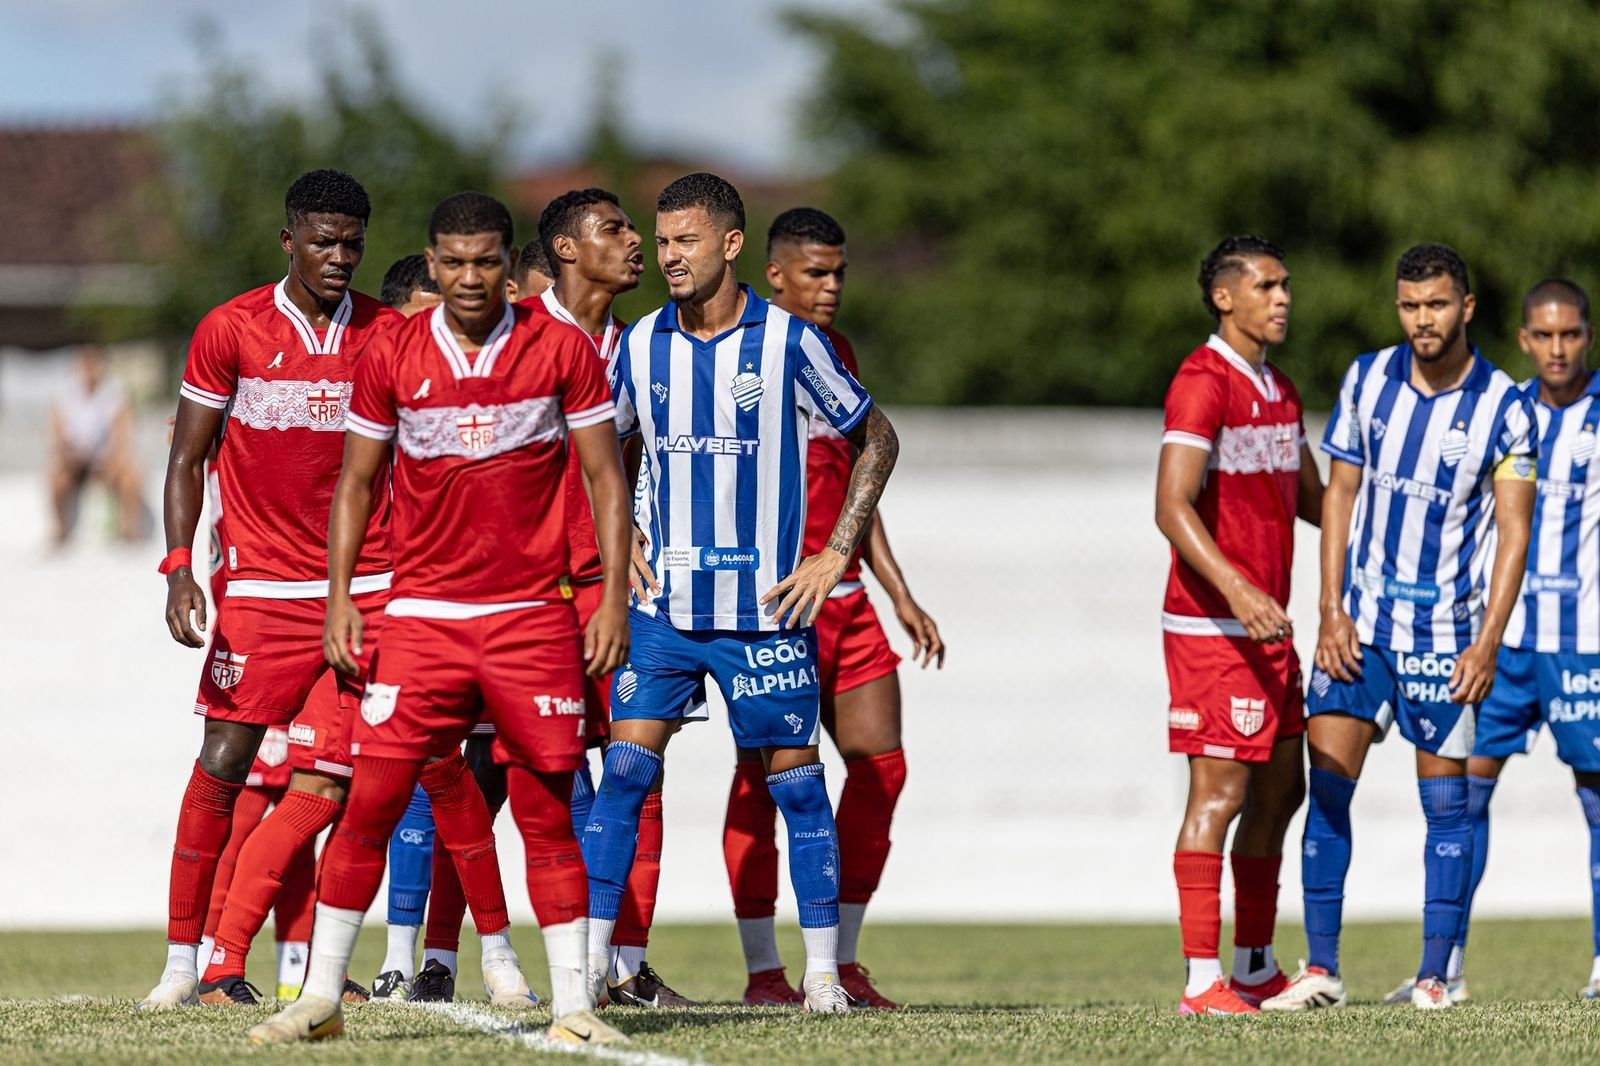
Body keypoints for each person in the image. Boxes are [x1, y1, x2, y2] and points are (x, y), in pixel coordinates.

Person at [249, 191, 633, 1046]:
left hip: (533, 619)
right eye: (453, 262)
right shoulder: (391, 350)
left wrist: (608, 595)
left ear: (509, 264)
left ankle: (573, 1008)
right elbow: (355, 482)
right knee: (374, 801)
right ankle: (318, 1000)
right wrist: (343, 595)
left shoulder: (560, 350)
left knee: (546, 808)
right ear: (431, 263)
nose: (469, 278)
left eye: (486, 261)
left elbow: (607, 479)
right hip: (420, 617)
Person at [580, 172, 899, 1017]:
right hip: (666, 610)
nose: (667, 255)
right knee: (624, 773)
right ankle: (592, 966)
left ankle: (823, 974)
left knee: (796, 785)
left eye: (684, 240)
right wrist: (629, 541)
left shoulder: (792, 342)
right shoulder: (641, 343)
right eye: (662, 239)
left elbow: (878, 435)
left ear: (728, 245)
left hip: (764, 611)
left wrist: (835, 552)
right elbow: (600, 451)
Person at [140, 169, 403, 1010]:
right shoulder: (233, 330)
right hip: (259, 590)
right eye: (323, 241)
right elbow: (187, 457)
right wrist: (180, 565)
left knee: (353, 780)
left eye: (352, 243)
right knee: (224, 764)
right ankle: (185, 966)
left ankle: (313, 970)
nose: (339, 257)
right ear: (289, 240)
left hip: (367, 589)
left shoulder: (389, 334)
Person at [1263, 243, 1536, 1012]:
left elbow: (1513, 532)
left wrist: (1486, 642)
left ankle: (1432, 977)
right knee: (1328, 793)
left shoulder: (1505, 406)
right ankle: (1321, 970)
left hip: (1447, 641)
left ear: (1467, 307)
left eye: (1438, 304)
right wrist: (1329, 609)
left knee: (1447, 810)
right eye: (1411, 305)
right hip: (1360, 632)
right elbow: (1339, 494)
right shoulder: (1367, 377)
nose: (1423, 319)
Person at [722, 207, 944, 1009]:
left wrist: (899, 590)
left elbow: (862, 483)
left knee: (882, 768)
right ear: (774, 274)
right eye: (816, 273)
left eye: (840, 273)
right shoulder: (742, 354)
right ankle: (761, 972)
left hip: (845, 599)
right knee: (766, 782)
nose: (831, 287)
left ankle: (844, 958)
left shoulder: (836, 355)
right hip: (772, 608)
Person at [1155, 235, 1322, 1016]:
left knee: (1281, 792)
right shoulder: (1201, 381)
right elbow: (1170, 505)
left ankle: (1254, 967)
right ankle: (1200, 981)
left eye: (1285, 285)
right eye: (1267, 285)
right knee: (1217, 796)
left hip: (1270, 630)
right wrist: (1237, 590)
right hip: (1212, 629)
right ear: (1226, 297)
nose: (1282, 297)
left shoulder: (1280, 390)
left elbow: (1319, 499)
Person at [1425, 278, 1600, 1003]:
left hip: (1584, 642)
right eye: (1544, 336)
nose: (1558, 348)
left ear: (1587, 336)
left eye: (1571, 335)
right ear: (1525, 339)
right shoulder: (1505, 411)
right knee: (1464, 794)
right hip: (1499, 643)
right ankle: (1448, 966)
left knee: (1595, 800)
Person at [49, 345, 148, 544]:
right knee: (56, 480)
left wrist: (113, 457)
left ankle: (130, 530)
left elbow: (123, 432)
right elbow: (56, 432)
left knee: (131, 477)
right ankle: (60, 531)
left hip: (106, 457)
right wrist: (69, 455)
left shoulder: (114, 392)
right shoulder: (65, 394)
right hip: (75, 458)